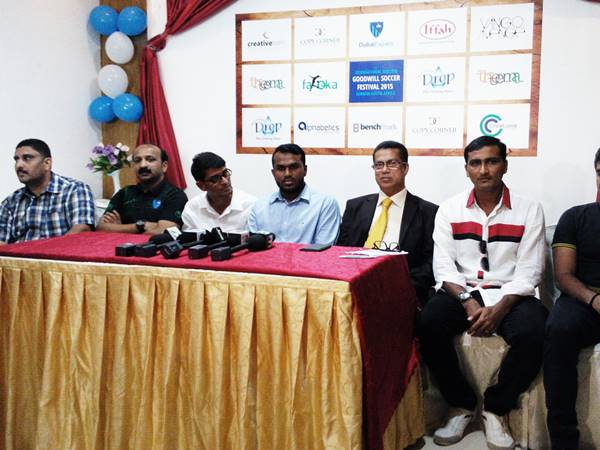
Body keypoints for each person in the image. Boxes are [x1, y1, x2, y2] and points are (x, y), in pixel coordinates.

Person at [418, 135, 548, 450]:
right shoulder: (449, 209)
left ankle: (495, 408)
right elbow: (444, 268)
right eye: (475, 163)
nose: (484, 170)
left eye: (491, 161)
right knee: (428, 323)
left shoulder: (529, 210)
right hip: (462, 291)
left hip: (511, 293)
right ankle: (461, 404)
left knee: (536, 331)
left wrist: (500, 308)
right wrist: (467, 302)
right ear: (466, 169)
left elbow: (530, 271)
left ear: (505, 165)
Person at [543, 148, 600, 450]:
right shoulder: (576, 217)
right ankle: (564, 440)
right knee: (558, 329)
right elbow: (563, 276)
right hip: (584, 300)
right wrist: (593, 300)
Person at [337, 140, 438, 304]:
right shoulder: (355, 206)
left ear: (405, 168)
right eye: (379, 165)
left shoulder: (428, 212)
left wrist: (400, 286)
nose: (384, 170)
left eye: (392, 164)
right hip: (355, 288)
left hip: (402, 292)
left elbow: (431, 263)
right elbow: (341, 251)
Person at [0, 138, 95, 244]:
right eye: (16, 159)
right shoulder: (10, 202)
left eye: (27, 158)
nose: (19, 165)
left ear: (47, 163)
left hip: (60, 253)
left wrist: (50, 253)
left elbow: (82, 231)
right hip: (17, 254)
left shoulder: (74, 190)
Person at [248, 143, 341, 245]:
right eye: (281, 168)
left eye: (293, 167)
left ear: (305, 170)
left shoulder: (324, 205)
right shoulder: (259, 208)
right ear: (273, 173)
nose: (287, 174)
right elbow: (253, 248)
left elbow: (323, 250)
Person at [97, 144, 187, 235]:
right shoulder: (124, 193)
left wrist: (119, 228)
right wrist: (140, 226)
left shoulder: (175, 195)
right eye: (137, 160)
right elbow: (101, 228)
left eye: (150, 159)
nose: (142, 165)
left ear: (164, 166)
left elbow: (164, 232)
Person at [182, 152, 255, 233]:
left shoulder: (251, 205)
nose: (225, 181)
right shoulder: (192, 209)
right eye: (215, 178)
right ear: (201, 186)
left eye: (225, 173)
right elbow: (189, 239)